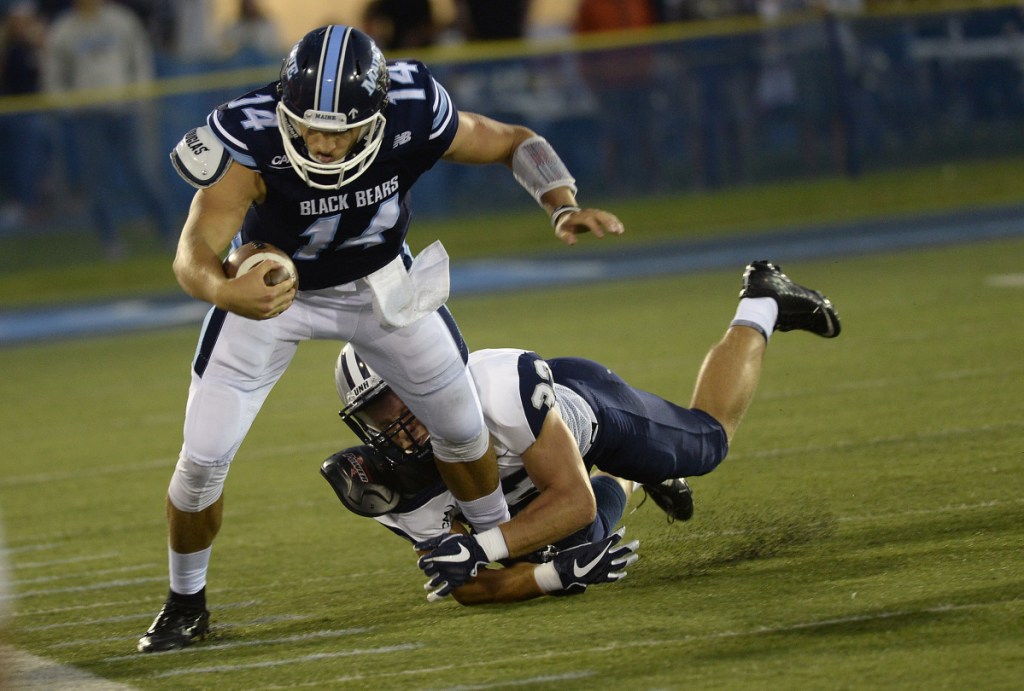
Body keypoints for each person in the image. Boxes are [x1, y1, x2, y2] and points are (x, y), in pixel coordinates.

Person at [138, 24, 623, 653]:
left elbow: (513, 141)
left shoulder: (414, 107)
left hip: (382, 287)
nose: (320, 142)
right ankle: (185, 601)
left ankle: (492, 546)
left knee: (463, 429)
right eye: (307, 125)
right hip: (272, 295)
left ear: (377, 114)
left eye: (339, 130)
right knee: (201, 460)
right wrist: (226, 291)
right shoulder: (247, 132)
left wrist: (560, 201)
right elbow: (193, 250)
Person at [327, 260, 841, 602]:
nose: (396, 419)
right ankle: (633, 480)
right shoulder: (385, 481)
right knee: (564, 552)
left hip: (591, 415)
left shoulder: (500, 390)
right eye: (376, 410)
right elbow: (468, 586)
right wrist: (552, 577)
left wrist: (482, 549)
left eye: (400, 392)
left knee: (708, 443)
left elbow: (573, 502)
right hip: (536, 482)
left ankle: (762, 302)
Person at [323, 442, 640, 604]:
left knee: (576, 532)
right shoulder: (396, 507)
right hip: (496, 503)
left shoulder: (435, 444)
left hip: (522, 461)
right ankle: (627, 475)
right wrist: (556, 575)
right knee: (570, 560)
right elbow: (465, 584)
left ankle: (630, 466)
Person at [41, 0, 176, 260]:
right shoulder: (64, 29)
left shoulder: (119, 20)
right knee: (97, 181)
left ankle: (168, 232)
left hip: (123, 110)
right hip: (88, 115)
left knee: (142, 172)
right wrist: (68, 104)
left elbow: (139, 57)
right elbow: (53, 73)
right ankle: (110, 242)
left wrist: (139, 95)